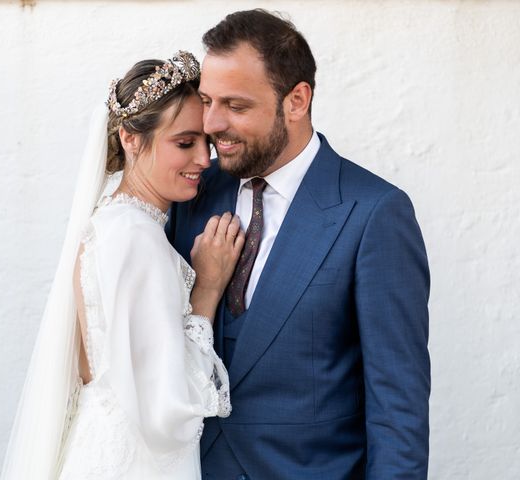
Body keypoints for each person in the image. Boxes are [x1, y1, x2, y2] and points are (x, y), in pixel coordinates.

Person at [167, 10, 431, 479]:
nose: (212, 123)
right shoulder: (189, 195)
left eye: (236, 106)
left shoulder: (374, 214)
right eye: (207, 101)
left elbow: (398, 408)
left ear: (297, 100)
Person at [1, 51, 244, 480]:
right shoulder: (136, 237)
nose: (205, 160)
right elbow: (167, 408)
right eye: (185, 143)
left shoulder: (112, 221)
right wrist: (206, 288)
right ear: (131, 139)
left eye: (206, 142)